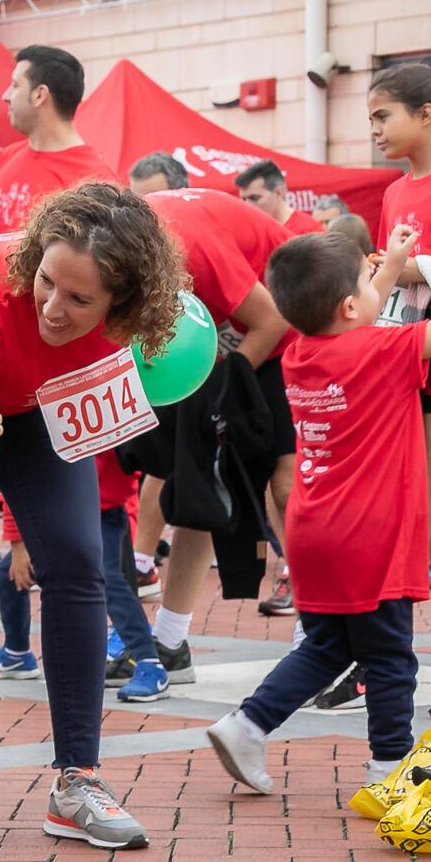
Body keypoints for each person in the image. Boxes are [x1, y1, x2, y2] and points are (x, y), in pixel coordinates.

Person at [0, 183, 188, 850]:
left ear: (122, 304)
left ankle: (77, 780)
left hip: (34, 400)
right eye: (46, 282)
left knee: (79, 561)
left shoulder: (128, 331)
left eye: (79, 299)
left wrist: (32, 526)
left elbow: (90, 456)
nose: (52, 307)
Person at [208, 227, 431, 794]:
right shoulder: (380, 349)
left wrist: (392, 263)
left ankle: (248, 723)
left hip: (314, 526)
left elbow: (353, 314)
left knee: (330, 645)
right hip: (371, 533)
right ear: (351, 305)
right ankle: (390, 767)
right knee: (392, 657)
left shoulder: (302, 353)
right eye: (367, 279)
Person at [124, 161, 301, 670]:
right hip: (221, 345)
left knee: (286, 489)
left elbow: (271, 321)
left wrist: (225, 387)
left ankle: (321, 629)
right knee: (195, 483)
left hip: (287, 330)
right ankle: (171, 639)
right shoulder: (127, 244)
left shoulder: (190, 244)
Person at [367, 63, 431, 717]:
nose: (373, 130)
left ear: (426, 114)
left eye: (382, 116)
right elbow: (383, 291)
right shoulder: (394, 195)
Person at [0, 45, 119, 235]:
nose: (5, 96)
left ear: (39, 95)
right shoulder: (8, 156)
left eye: (15, 85)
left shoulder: (94, 180)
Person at [234, 159, 326, 235]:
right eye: (243, 199)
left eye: (254, 198)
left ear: (278, 192)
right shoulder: (250, 230)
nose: (247, 205)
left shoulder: (310, 230)